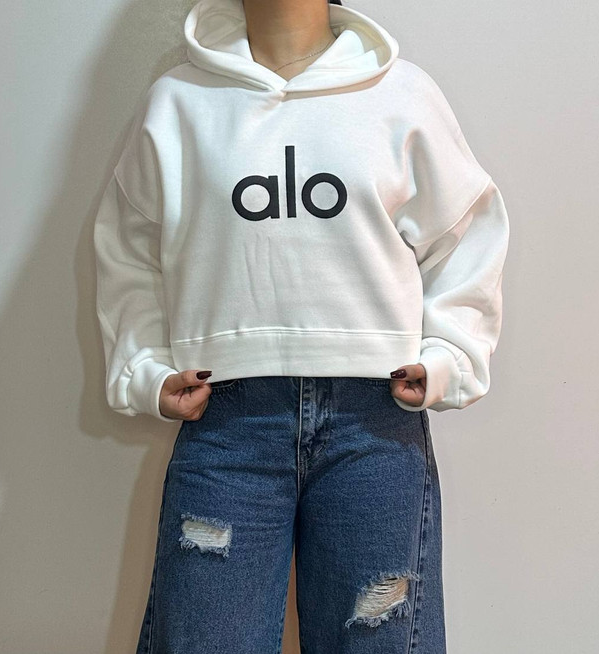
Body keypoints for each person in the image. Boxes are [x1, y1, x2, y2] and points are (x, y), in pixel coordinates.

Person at [92, 0, 510, 651]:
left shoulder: (402, 95)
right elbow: (129, 248)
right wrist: (144, 370)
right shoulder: (179, 100)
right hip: (226, 423)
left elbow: (465, 231)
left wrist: (452, 357)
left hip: (375, 421)